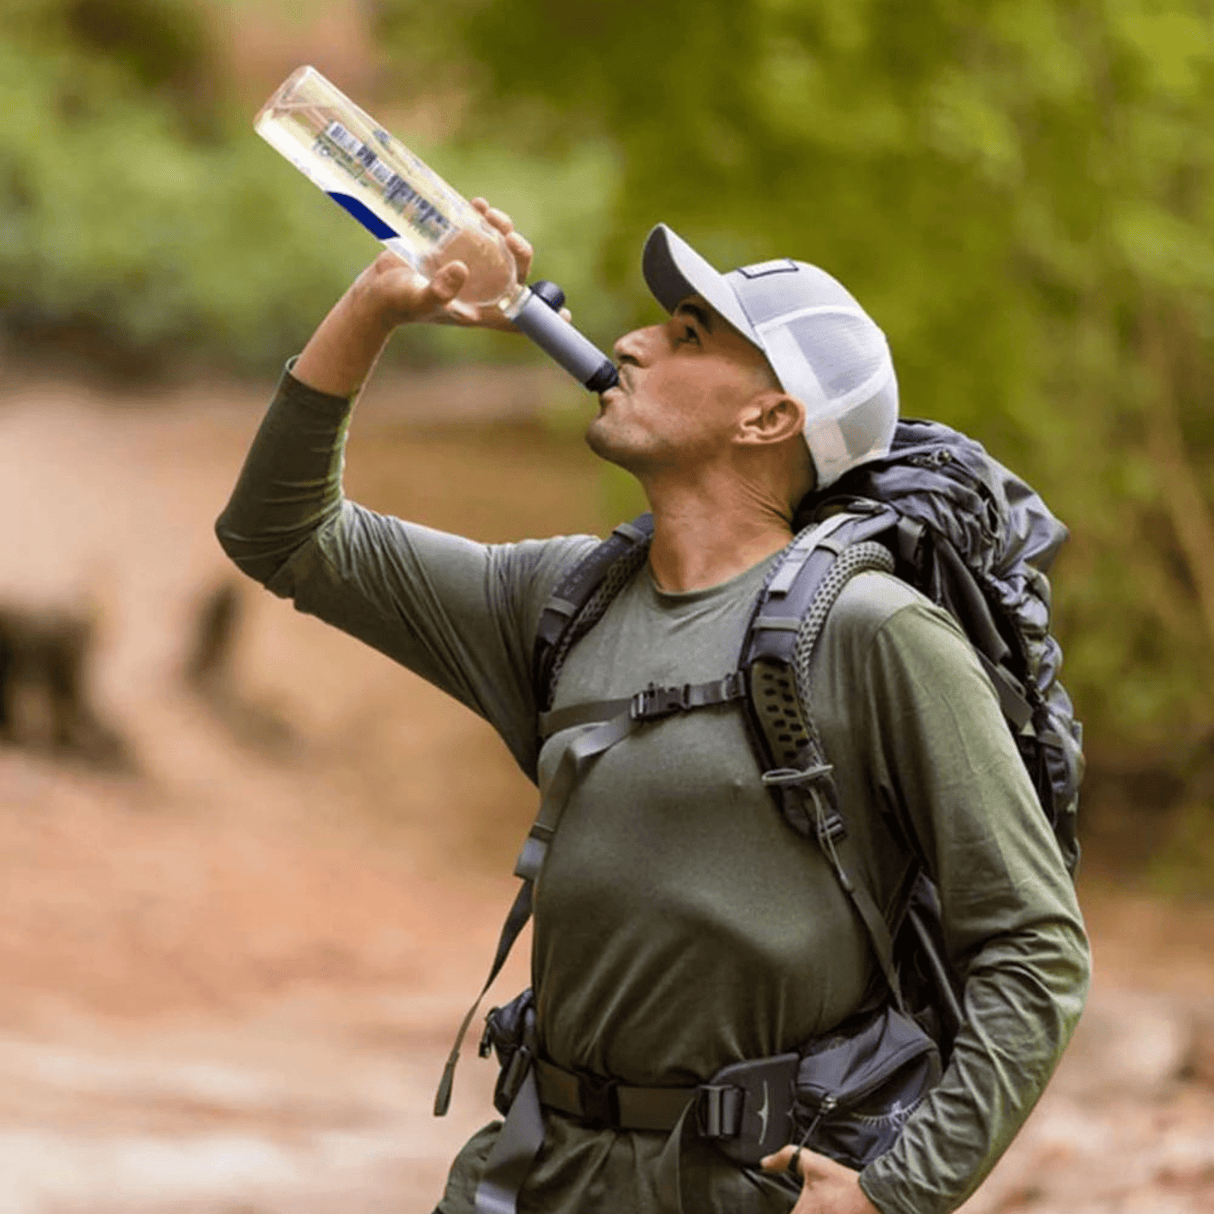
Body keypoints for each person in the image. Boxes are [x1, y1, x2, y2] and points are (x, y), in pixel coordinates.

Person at [216, 200, 1090, 1214]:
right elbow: (279, 533)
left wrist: (897, 1192)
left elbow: (1032, 944)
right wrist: (374, 308)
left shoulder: (871, 631)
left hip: (738, 1188)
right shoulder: (561, 597)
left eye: (685, 336)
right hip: (536, 1173)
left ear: (766, 419)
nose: (630, 339)